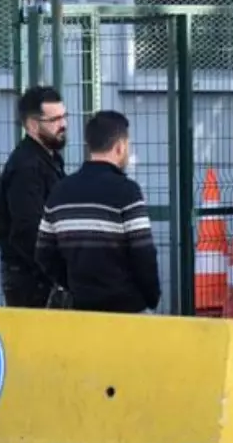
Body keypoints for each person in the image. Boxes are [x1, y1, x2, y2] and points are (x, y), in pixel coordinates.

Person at [34, 110, 161, 314]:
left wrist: (72, 284)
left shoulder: (60, 191)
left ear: (90, 145)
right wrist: (150, 297)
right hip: (126, 308)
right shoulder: (127, 192)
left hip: (80, 306)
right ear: (120, 147)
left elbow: (43, 253)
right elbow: (143, 253)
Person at [0, 86, 68, 308]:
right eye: (54, 119)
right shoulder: (27, 166)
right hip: (30, 279)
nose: (63, 125)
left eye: (64, 116)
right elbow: (27, 229)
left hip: (40, 273)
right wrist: (55, 270)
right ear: (33, 125)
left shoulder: (49, 157)